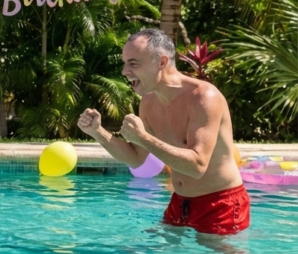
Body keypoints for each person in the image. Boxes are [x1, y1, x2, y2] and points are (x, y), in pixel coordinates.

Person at [77, 28, 249, 235]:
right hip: (180, 202)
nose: (124, 71)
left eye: (133, 63)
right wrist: (98, 132)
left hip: (220, 204)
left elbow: (197, 166)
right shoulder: (149, 103)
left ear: (161, 62)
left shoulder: (204, 98)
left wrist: (143, 138)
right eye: (125, 64)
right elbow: (136, 158)